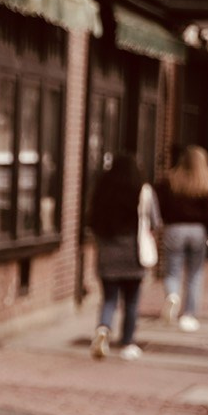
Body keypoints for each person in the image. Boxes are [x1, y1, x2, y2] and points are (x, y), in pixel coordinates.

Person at [90, 151, 155, 360]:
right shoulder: (143, 191)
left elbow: (91, 220)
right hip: (133, 254)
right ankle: (128, 343)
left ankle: (103, 329)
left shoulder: (103, 189)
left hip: (108, 253)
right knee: (132, 301)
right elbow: (154, 221)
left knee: (109, 298)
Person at [156, 145, 208, 330]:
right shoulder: (206, 184)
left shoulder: (169, 181)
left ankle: (172, 296)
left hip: (174, 229)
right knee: (195, 274)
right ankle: (189, 315)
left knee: (172, 270)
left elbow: (158, 203)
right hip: (198, 231)